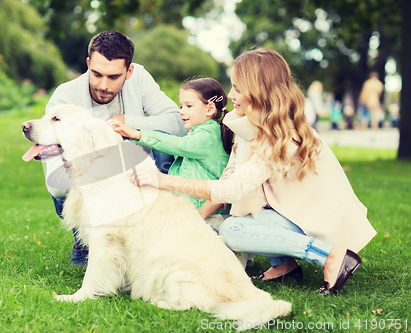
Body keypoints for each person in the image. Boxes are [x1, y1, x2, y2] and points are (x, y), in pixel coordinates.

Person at [128, 48, 377, 296]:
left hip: (317, 218)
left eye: (237, 88)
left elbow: (233, 190)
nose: (231, 94)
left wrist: (164, 180)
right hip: (288, 211)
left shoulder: (281, 134)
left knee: (234, 230)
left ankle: (331, 256)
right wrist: (196, 216)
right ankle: (284, 266)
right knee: (237, 221)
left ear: (258, 91)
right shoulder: (250, 123)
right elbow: (229, 176)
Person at [44, 31, 187, 266]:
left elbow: (178, 124)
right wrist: (80, 166)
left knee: (161, 140)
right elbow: (56, 186)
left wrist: (130, 122)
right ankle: (85, 239)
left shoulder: (139, 78)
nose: (103, 85)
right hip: (93, 184)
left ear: (129, 72)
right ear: (88, 64)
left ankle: (155, 232)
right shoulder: (65, 97)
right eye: (96, 74)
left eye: (113, 77)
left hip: (133, 174)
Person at [109, 77, 233, 215]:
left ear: (210, 109)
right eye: (181, 106)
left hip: (207, 213)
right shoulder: (198, 132)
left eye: (189, 106)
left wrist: (136, 134)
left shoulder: (209, 134)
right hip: (189, 205)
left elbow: (178, 144)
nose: (181, 111)